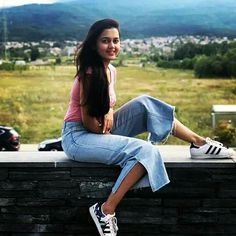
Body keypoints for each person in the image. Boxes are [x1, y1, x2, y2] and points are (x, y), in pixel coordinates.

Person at [61, 19, 234, 236]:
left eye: (116, 40)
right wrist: (106, 116)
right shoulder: (90, 74)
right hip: (79, 136)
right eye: (105, 41)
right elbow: (89, 123)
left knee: (146, 103)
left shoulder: (111, 70)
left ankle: (198, 143)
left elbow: (105, 110)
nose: (112, 46)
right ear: (94, 44)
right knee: (146, 150)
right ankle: (105, 210)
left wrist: (108, 111)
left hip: (100, 128)